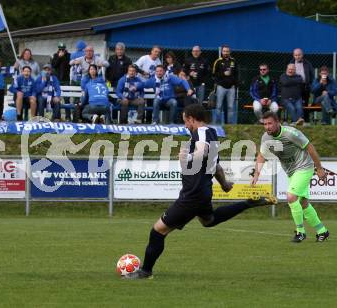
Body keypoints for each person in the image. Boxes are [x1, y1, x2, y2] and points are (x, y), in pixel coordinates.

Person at [124, 104, 276, 279]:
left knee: (158, 231)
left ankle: (145, 272)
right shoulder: (212, 134)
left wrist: (187, 157)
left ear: (191, 118)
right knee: (208, 220)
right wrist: (225, 184)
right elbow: (216, 166)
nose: (185, 126)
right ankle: (247, 203)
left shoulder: (201, 133)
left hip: (192, 194)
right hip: (203, 192)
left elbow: (202, 151)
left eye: (185, 121)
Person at [252, 111, 329, 243]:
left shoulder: (290, 133)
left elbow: (310, 147)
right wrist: (257, 174)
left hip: (305, 167)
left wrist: (320, 168)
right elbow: (262, 155)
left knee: (291, 197)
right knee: (303, 204)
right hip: (291, 172)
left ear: (277, 122)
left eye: (270, 123)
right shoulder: (266, 138)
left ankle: (300, 232)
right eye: (265, 124)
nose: (267, 127)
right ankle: (322, 231)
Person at [212, 45, 238, 124]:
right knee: (219, 106)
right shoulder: (218, 61)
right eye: (224, 51)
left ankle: (229, 125)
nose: (226, 53)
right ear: (222, 52)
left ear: (229, 52)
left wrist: (235, 84)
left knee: (230, 107)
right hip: (221, 87)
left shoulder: (234, 61)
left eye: (227, 51)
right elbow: (213, 75)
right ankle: (217, 124)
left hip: (231, 88)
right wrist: (223, 74)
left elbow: (237, 73)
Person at [290, 48, 314, 122]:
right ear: (293, 56)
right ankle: (294, 120)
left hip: (305, 86)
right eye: (296, 55)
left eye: (299, 55)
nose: (298, 57)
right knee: (295, 103)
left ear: (302, 55)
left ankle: (306, 121)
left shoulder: (308, 63)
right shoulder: (291, 63)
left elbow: (312, 75)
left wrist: (310, 85)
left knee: (305, 103)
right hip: (295, 86)